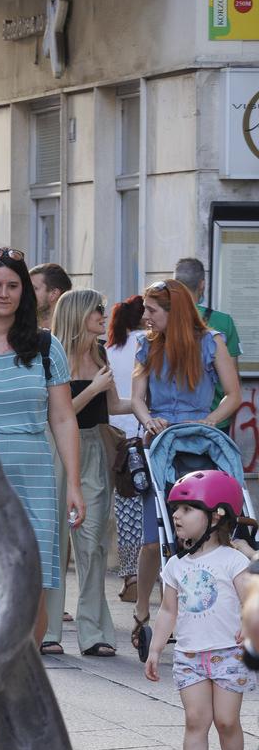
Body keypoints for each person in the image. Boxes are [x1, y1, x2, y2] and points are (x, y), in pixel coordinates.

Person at [0, 248, 85, 645]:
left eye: (13, 286)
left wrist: (75, 485)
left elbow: (63, 418)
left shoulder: (46, 347)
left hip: (34, 476)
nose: (4, 293)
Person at [129, 277, 242, 660]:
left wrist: (211, 421)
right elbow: (138, 400)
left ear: (173, 313)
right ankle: (143, 607)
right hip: (161, 443)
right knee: (153, 535)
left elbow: (233, 393)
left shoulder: (212, 342)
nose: (145, 316)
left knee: (204, 530)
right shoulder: (147, 346)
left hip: (200, 442)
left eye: (152, 310)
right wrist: (148, 421)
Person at [144, 470, 254, 750]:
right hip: (190, 655)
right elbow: (167, 611)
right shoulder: (175, 566)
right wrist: (155, 647)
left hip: (228, 654)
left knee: (226, 720)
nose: (176, 515)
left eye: (187, 508)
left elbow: (253, 599)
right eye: (175, 508)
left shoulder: (234, 561)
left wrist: (249, 628)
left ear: (216, 514)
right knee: (195, 720)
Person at [42, 289, 126, 657]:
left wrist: (143, 403)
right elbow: (58, 413)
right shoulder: (51, 354)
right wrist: (92, 388)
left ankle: (93, 630)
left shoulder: (101, 353)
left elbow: (113, 404)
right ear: (80, 314)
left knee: (92, 541)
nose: (104, 316)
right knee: (55, 539)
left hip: (92, 447)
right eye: (98, 310)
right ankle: (47, 629)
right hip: (58, 447)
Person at [105, 296, 147, 604]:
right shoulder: (148, 343)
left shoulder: (109, 348)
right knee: (149, 509)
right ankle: (149, 575)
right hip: (145, 432)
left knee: (125, 510)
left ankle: (131, 575)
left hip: (113, 436)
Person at [174, 257, 242, 432]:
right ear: (202, 284)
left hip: (171, 421)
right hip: (215, 419)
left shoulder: (165, 320)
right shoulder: (223, 322)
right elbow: (233, 376)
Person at [29, 262, 72, 328]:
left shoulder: (73, 333)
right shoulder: (21, 330)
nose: (26, 292)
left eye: (34, 288)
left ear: (53, 294)